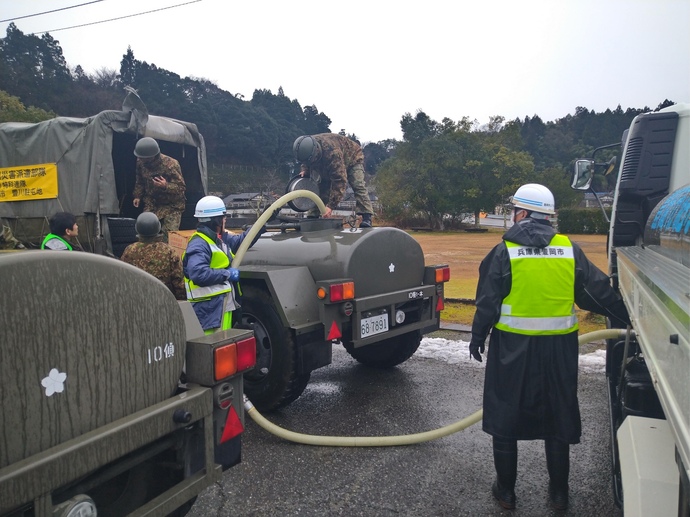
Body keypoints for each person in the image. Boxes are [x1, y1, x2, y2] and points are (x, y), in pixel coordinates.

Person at [468, 183, 630, 511]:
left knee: (505, 413)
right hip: (560, 351)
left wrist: (477, 336)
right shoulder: (568, 249)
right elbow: (594, 291)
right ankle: (559, 495)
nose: (512, 217)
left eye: (514, 211)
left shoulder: (504, 251)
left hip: (512, 350)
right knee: (557, 416)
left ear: (524, 213)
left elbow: (488, 301)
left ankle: (506, 492)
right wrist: (627, 314)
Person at [182, 195, 265, 333]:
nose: (225, 220)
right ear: (218, 221)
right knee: (211, 350)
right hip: (208, 313)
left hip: (219, 309)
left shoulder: (218, 240)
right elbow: (198, 273)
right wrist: (227, 274)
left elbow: (242, 241)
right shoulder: (199, 244)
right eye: (224, 217)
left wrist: (261, 224)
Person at [293, 134, 375, 228]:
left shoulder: (332, 152)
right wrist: (305, 170)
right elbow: (305, 162)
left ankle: (367, 217)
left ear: (316, 152)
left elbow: (340, 181)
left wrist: (330, 206)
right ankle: (313, 216)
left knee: (358, 185)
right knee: (321, 186)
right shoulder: (305, 147)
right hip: (325, 160)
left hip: (352, 157)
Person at [120, 212, 186, 300]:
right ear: (157, 228)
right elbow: (178, 282)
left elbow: (123, 278)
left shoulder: (130, 250)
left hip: (137, 300)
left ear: (138, 229)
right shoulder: (168, 251)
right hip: (164, 300)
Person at [132, 137, 186, 240]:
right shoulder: (140, 162)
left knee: (169, 237)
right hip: (152, 203)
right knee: (145, 234)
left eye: (144, 158)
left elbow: (181, 187)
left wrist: (166, 186)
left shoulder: (171, 164)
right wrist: (137, 196)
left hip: (171, 205)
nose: (141, 160)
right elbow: (140, 180)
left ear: (152, 156)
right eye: (140, 157)